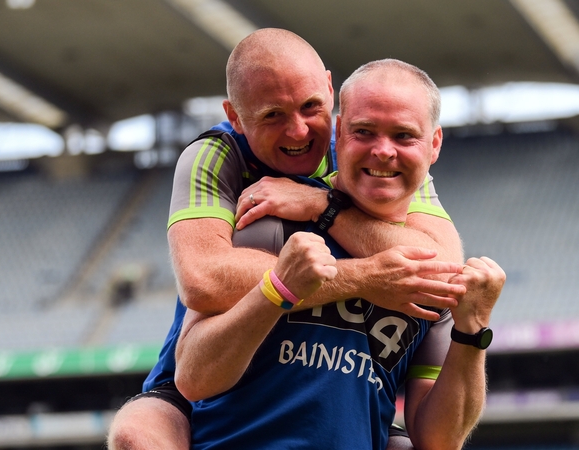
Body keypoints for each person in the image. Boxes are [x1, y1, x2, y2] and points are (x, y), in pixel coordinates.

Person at [107, 29, 465, 450]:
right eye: (272, 115)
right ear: (236, 116)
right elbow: (203, 280)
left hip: (351, 403)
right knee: (139, 432)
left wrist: (319, 205)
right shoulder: (220, 153)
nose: (298, 131)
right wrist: (365, 277)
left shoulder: (373, 149)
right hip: (195, 381)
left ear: (330, 91)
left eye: (312, 106)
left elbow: (439, 267)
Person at [175, 59, 505, 450]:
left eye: (404, 136)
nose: (383, 152)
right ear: (338, 132)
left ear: (434, 145)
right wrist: (279, 288)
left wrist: (473, 330)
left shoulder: (431, 278)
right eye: (364, 132)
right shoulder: (271, 219)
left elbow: (438, 440)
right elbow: (193, 379)